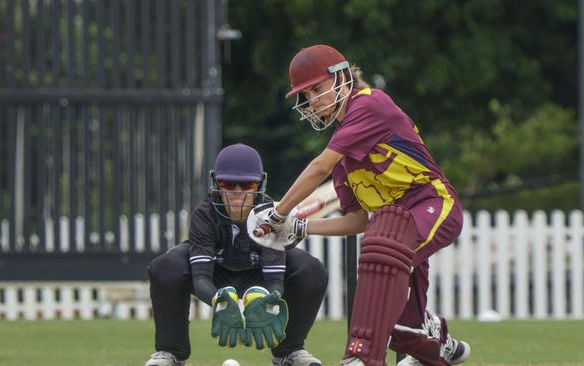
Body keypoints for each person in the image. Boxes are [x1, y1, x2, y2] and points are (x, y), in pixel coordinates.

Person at [250, 45, 471, 366]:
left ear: (340, 77)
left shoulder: (369, 103)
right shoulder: (344, 160)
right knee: (401, 329)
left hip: (433, 203)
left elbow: (318, 168)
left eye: (317, 88)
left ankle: (361, 356)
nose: (313, 100)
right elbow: (357, 221)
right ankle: (435, 337)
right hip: (390, 229)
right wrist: (301, 227)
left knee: (381, 279)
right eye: (306, 94)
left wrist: (278, 213)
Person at [144, 143, 327, 366]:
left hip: (258, 275)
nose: (238, 192)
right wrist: (218, 300)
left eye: (247, 184)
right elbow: (201, 277)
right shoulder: (204, 214)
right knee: (166, 265)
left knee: (311, 269)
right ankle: (170, 353)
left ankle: (288, 353)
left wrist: (264, 299)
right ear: (216, 184)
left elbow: (275, 280)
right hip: (216, 274)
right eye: (228, 183)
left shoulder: (271, 215)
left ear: (260, 184)